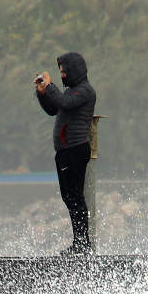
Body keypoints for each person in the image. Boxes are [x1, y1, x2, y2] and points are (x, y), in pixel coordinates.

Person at [34, 52, 97, 254]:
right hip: (64, 151)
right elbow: (54, 109)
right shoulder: (70, 91)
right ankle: (79, 241)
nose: (61, 76)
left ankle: (82, 243)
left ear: (74, 71)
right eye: (60, 72)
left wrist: (50, 87)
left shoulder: (85, 91)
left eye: (63, 72)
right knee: (68, 197)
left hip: (75, 149)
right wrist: (42, 93)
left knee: (75, 197)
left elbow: (63, 103)